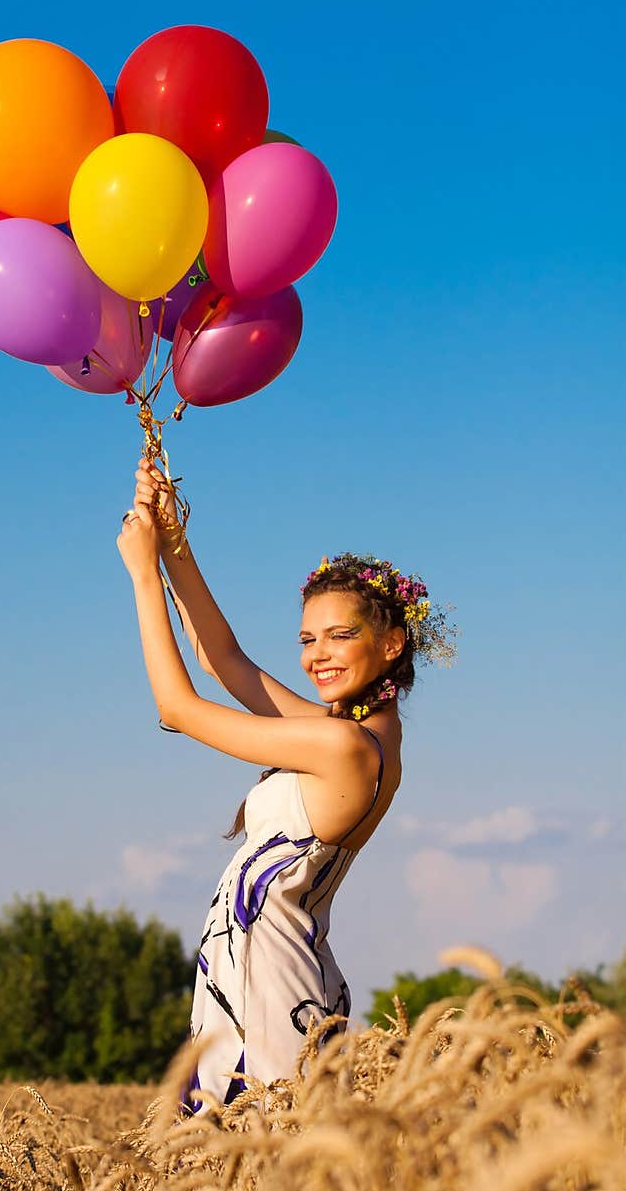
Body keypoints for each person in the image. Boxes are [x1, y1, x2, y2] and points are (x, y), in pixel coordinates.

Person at [117, 457, 458, 1114]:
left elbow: (177, 708)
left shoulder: (342, 746)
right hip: (268, 968)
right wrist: (172, 544)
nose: (316, 655)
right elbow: (227, 662)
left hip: (270, 984)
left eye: (340, 635)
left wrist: (140, 576)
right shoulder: (363, 736)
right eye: (307, 638)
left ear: (391, 644)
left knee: (256, 1171)